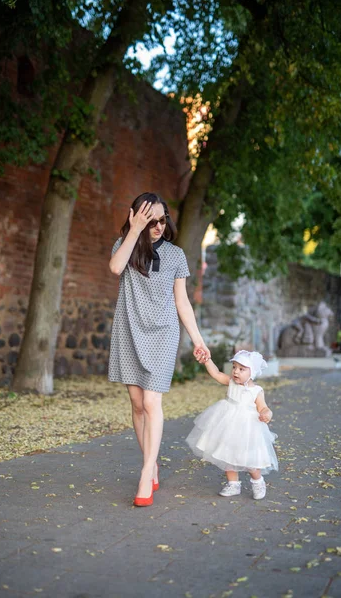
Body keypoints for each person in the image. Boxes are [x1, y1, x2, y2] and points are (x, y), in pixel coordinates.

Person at [108, 192, 210, 507]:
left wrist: (197, 338)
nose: (157, 227)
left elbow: (182, 301)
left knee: (152, 402)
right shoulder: (124, 246)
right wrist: (134, 230)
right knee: (137, 404)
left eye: (162, 221)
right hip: (129, 330)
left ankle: (145, 472)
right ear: (136, 218)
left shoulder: (176, 255)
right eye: (151, 221)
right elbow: (114, 268)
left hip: (163, 333)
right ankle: (152, 463)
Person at [186, 350, 278, 500]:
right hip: (227, 424)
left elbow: (263, 407)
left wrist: (266, 414)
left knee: (250, 460)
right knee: (227, 455)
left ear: (252, 372)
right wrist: (207, 361)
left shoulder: (256, 391)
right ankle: (233, 484)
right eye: (234, 367)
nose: (235, 371)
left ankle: (257, 481)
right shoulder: (230, 382)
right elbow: (216, 374)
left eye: (242, 369)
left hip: (247, 429)